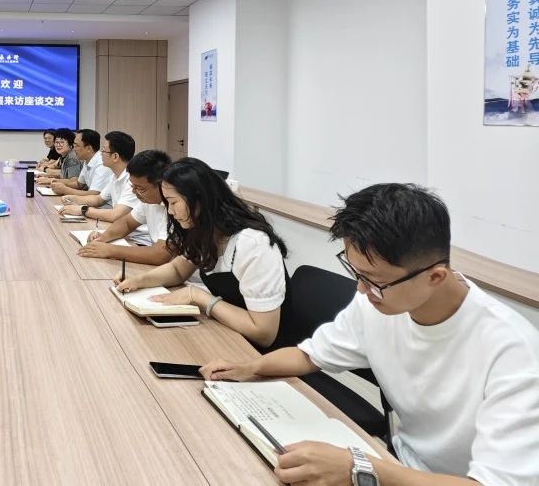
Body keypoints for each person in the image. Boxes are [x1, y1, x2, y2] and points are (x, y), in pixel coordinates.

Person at [200, 184, 539, 486]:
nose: (361, 290)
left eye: (374, 281)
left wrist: (361, 468)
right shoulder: (378, 303)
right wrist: (250, 368)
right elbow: (309, 355)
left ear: (435, 277)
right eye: (355, 272)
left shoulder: (512, 351)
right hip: (396, 464)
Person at [115, 157, 291, 349]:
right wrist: (139, 281)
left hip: (261, 351)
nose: (170, 212)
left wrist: (199, 297)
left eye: (173, 202)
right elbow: (178, 270)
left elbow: (264, 333)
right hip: (227, 332)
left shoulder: (253, 244)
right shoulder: (205, 231)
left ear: (199, 200)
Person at [79, 150, 172, 265]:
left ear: (161, 185)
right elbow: (126, 223)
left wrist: (110, 250)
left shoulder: (174, 207)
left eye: (140, 188)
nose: (134, 192)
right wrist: (103, 237)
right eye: (133, 186)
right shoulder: (148, 201)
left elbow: (160, 255)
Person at [58, 131, 141, 226]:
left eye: (104, 151)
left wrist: (82, 210)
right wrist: (74, 199)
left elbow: (115, 215)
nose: (101, 154)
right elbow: (98, 199)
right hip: (120, 227)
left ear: (115, 156)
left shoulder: (132, 180)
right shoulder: (115, 176)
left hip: (136, 234)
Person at [50, 129, 114, 198]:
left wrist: (65, 190)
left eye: (76, 145)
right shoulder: (87, 160)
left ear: (89, 148)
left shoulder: (102, 164)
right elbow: (79, 184)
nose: (74, 149)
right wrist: (59, 183)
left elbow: (94, 194)